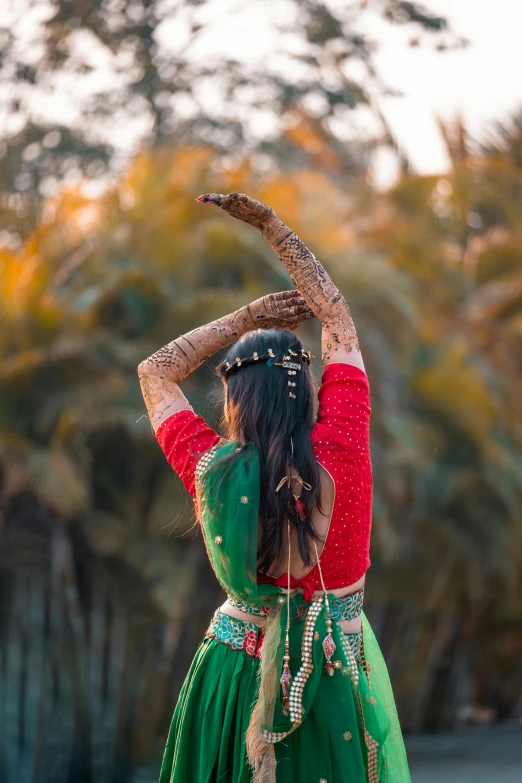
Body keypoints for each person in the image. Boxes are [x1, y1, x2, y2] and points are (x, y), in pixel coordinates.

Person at [138, 193, 410, 783]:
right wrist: (271, 226)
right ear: (307, 386)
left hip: (236, 673)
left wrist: (246, 320)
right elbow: (337, 319)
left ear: (235, 402)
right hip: (334, 668)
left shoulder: (214, 467)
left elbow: (155, 370)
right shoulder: (343, 441)